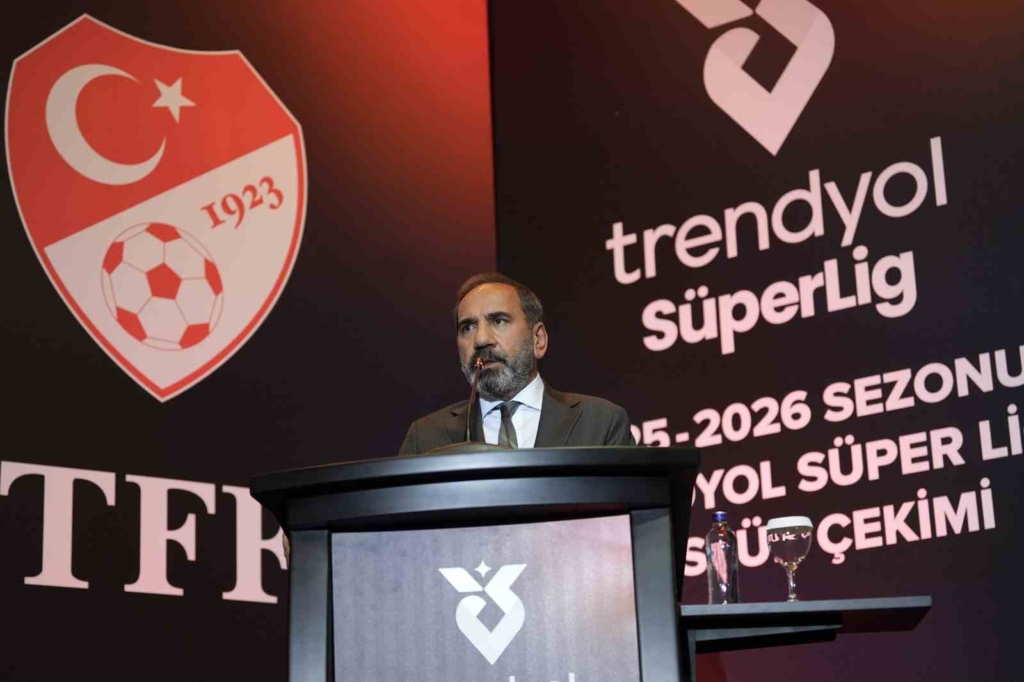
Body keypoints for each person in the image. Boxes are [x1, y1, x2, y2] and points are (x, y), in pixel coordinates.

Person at [398, 272, 635, 455]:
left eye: (498, 321)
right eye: (468, 327)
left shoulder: (600, 422)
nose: (481, 339)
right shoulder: (425, 437)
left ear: (538, 339)